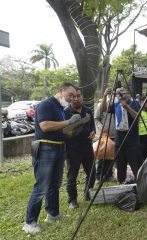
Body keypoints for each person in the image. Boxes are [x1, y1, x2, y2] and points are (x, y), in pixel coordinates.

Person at [23, 83, 80, 234]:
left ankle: (53, 213)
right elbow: (45, 126)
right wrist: (68, 122)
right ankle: (29, 222)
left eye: (74, 96)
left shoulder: (60, 109)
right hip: (45, 148)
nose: (72, 99)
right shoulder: (46, 104)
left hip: (58, 147)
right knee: (41, 186)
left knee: (55, 184)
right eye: (70, 95)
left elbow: (58, 129)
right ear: (61, 91)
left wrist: (72, 130)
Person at [101, 87, 142, 184]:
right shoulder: (116, 104)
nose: (121, 94)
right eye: (119, 93)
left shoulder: (134, 103)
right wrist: (104, 96)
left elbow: (138, 118)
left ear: (128, 93)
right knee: (120, 166)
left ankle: (140, 185)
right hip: (119, 141)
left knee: (136, 166)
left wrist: (126, 107)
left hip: (132, 142)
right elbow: (104, 109)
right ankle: (121, 184)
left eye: (123, 92)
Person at [64, 88, 96, 209]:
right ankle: (72, 200)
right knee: (72, 176)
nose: (76, 98)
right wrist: (77, 125)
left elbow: (92, 125)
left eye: (79, 96)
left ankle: (88, 194)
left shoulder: (88, 111)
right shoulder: (66, 112)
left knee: (92, 173)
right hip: (72, 150)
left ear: (82, 97)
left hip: (87, 147)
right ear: (71, 98)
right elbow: (64, 131)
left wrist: (93, 131)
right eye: (74, 96)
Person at [95, 89, 116, 183]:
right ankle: (99, 176)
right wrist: (102, 128)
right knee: (102, 155)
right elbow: (96, 119)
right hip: (104, 135)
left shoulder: (117, 105)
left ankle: (109, 175)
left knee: (111, 156)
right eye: (110, 95)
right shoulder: (101, 105)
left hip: (114, 135)